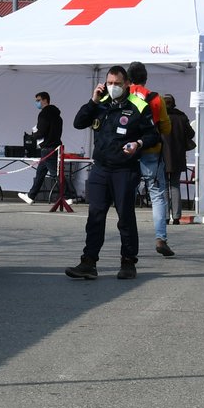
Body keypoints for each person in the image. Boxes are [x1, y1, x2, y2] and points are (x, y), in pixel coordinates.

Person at [65, 65, 162, 281]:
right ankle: (88, 262)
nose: (113, 87)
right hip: (100, 168)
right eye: (109, 83)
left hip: (124, 170)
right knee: (95, 216)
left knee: (125, 216)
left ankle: (128, 261)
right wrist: (93, 101)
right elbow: (78, 122)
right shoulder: (101, 104)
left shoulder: (139, 105)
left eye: (117, 84)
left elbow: (153, 136)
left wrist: (138, 143)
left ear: (127, 84)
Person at [125, 61, 174, 256]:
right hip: (151, 151)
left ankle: (127, 241)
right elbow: (166, 128)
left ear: (127, 78)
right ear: (146, 78)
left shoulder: (122, 95)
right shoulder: (155, 98)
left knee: (125, 195)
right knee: (157, 195)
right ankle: (161, 238)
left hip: (126, 151)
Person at [20, 90, 63, 205]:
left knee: (55, 173)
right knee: (40, 172)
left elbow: (41, 132)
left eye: (38, 100)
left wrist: (33, 135)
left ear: (45, 100)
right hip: (55, 146)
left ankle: (68, 196)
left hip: (48, 148)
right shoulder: (58, 115)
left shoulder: (44, 114)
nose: (37, 103)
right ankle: (31, 195)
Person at [161, 94, 196, 225]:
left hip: (162, 156)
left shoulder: (159, 117)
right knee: (175, 185)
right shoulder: (181, 116)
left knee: (164, 186)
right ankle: (176, 217)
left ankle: (164, 217)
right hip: (178, 155)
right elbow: (191, 134)